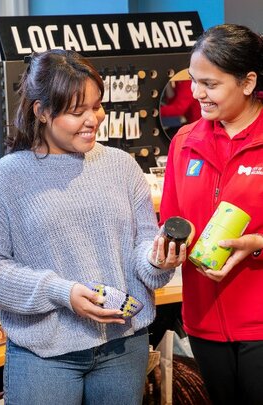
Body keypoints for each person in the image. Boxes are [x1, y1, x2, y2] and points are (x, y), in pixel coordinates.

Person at [0, 49, 185, 405]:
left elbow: (142, 246)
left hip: (123, 345)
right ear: (41, 112)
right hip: (45, 354)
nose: (93, 119)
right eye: (76, 111)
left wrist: (158, 260)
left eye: (97, 106)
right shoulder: (4, 180)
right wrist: (61, 292)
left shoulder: (121, 166)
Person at [159, 24, 263, 405]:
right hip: (202, 323)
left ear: (248, 82)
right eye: (194, 81)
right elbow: (171, 220)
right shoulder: (185, 142)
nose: (197, 93)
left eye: (211, 84)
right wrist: (167, 247)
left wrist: (257, 245)